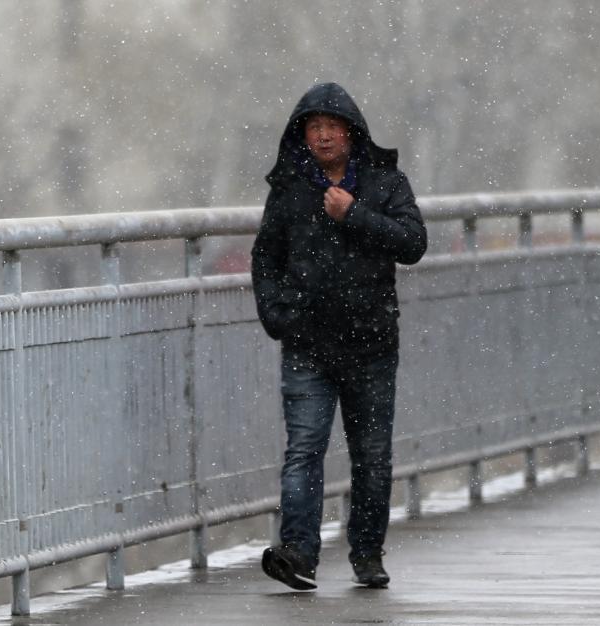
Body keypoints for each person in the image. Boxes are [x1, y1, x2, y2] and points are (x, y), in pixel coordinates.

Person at [251, 82, 427, 590]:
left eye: (332, 127)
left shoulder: (385, 183)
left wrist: (353, 214)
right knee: (304, 448)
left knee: (371, 454)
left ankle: (367, 553)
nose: (323, 136)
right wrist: (277, 314)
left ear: (352, 132)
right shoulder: (288, 190)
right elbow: (266, 258)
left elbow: (413, 243)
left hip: (371, 343)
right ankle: (298, 554)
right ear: (301, 135)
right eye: (314, 128)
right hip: (307, 344)